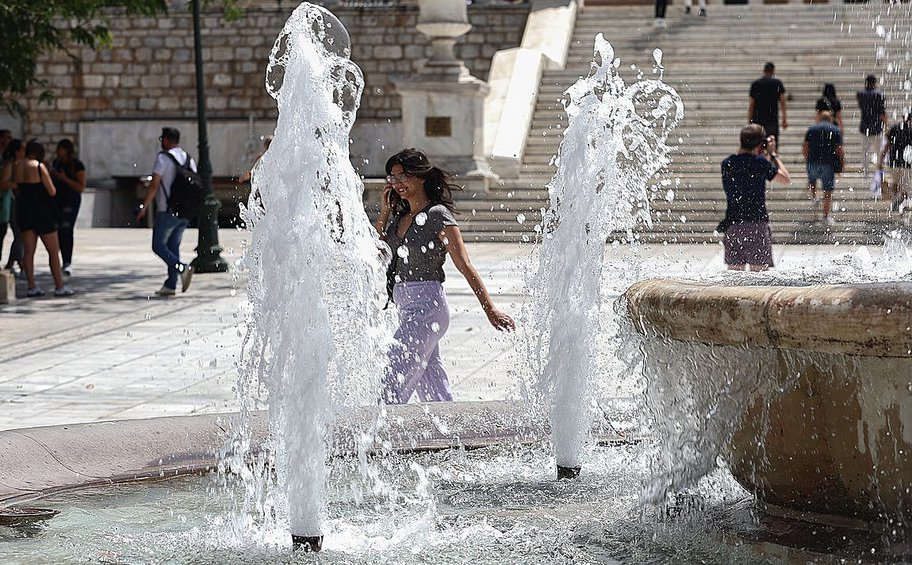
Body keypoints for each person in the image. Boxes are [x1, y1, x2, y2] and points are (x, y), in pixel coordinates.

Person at [375, 148, 515, 403]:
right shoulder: (399, 218)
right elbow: (377, 252)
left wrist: (490, 309)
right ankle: (450, 438)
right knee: (433, 390)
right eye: (392, 179)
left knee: (393, 375)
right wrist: (384, 213)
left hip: (428, 308)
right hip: (406, 309)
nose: (397, 184)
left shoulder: (437, 215)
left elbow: (465, 265)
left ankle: (380, 435)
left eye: (402, 176)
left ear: (420, 177)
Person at [720, 124, 791, 271]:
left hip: (733, 225)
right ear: (760, 143)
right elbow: (786, 179)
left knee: (733, 280)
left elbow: (744, 164)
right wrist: (772, 155)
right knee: (759, 281)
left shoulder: (727, 164)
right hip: (757, 224)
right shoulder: (760, 162)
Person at [135, 127, 195, 297]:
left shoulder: (163, 158)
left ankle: (182, 267)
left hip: (167, 211)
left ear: (166, 140)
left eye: (162, 139)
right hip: (184, 212)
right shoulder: (187, 158)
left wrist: (144, 206)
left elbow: (155, 184)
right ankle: (170, 285)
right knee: (173, 247)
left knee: (158, 246)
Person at [15, 140, 72, 297]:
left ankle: (31, 286)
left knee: (28, 252)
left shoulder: (18, 166)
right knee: (53, 251)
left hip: (24, 211)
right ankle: (59, 286)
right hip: (41, 212)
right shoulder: (39, 167)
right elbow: (52, 191)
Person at [50, 139, 86, 276]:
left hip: (71, 200)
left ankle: (67, 261)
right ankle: (58, 260)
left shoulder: (77, 165)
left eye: (61, 149)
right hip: (57, 200)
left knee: (66, 228)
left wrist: (64, 178)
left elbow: (81, 187)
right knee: (57, 229)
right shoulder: (56, 163)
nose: (58, 152)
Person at [803, 111, 845, 226]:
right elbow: (839, 149)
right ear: (830, 119)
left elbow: (805, 147)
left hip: (813, 161)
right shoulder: (835, 130)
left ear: (819, 118)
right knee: (828, 191)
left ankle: (815, 197)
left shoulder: (811, 129)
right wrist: (842, 163)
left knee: (812, 180)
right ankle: (825, 216)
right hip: (828, 163)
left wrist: (807, 159)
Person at [877, 113, 912, 217]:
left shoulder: (895, 128)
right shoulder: (899, 129)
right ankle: (900, 203)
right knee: (903, 186)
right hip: (905, 163)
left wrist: (881, 160)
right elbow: (887, 144)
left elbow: (887, 145)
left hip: (895, 162)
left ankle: (899, 202)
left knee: (899, 184)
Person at [749, 62, 788, 148]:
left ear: (764, 70)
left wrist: (749, 120)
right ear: (773, 71)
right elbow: (783, 102)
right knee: (772, 145)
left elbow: (752, 104)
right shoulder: (777, 83)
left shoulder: (756, 84)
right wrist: (784, 119)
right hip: (772, 120)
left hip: (758, 120)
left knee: (758, 145)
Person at [0, 139, 24, 274]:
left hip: (17, 202)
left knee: (20, 234)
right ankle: (17, 263)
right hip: (11, 203)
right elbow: (3, 183)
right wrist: (17, 184)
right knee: (19, 233)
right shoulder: (9, 164)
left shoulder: (18, 164)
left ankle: (13, 262)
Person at [857, 74, 887, 178]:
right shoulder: (879, 95)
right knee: (878, 151)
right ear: (874, 83)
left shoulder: (860, 94)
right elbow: (882, 112)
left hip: (864, 127)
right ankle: (878, 169)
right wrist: (886, 125)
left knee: (865, 151)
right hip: (877, 127)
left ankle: (865, 171)